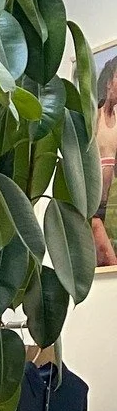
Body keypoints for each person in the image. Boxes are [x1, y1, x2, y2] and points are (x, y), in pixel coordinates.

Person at [92, 55, 117, 270]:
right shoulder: (94, 116)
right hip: (90, 208)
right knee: (110, 263)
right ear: (109, 81)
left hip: (107, 206)